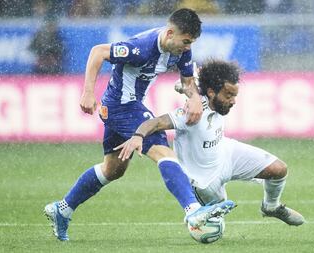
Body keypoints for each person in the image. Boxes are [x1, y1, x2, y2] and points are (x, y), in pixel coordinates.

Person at [44, 8, 235, 241]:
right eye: (185, 42)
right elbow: (98, 52)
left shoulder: (182, 49)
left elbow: (186, 81)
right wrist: (87, 92)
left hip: (124, 108)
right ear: (170, 33)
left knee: (113, 169)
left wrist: (194, 97)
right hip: (122, 107)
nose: (187, 47)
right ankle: (193, 211)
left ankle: (62, 209)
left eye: (191, 43)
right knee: (163, 152)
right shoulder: (141, 48)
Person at [116, 59, 305, 226]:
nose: (233, 101)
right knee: (212, 230)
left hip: (226, 153)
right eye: (228, 95)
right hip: (204, 181)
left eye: (234, 95)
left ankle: (271, 207)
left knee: (279, 169)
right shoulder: (193, 112)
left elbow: (189, 82)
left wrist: (183, 86)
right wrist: (138, 136)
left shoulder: (202, 91)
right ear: (212, 92)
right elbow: (156, 122)